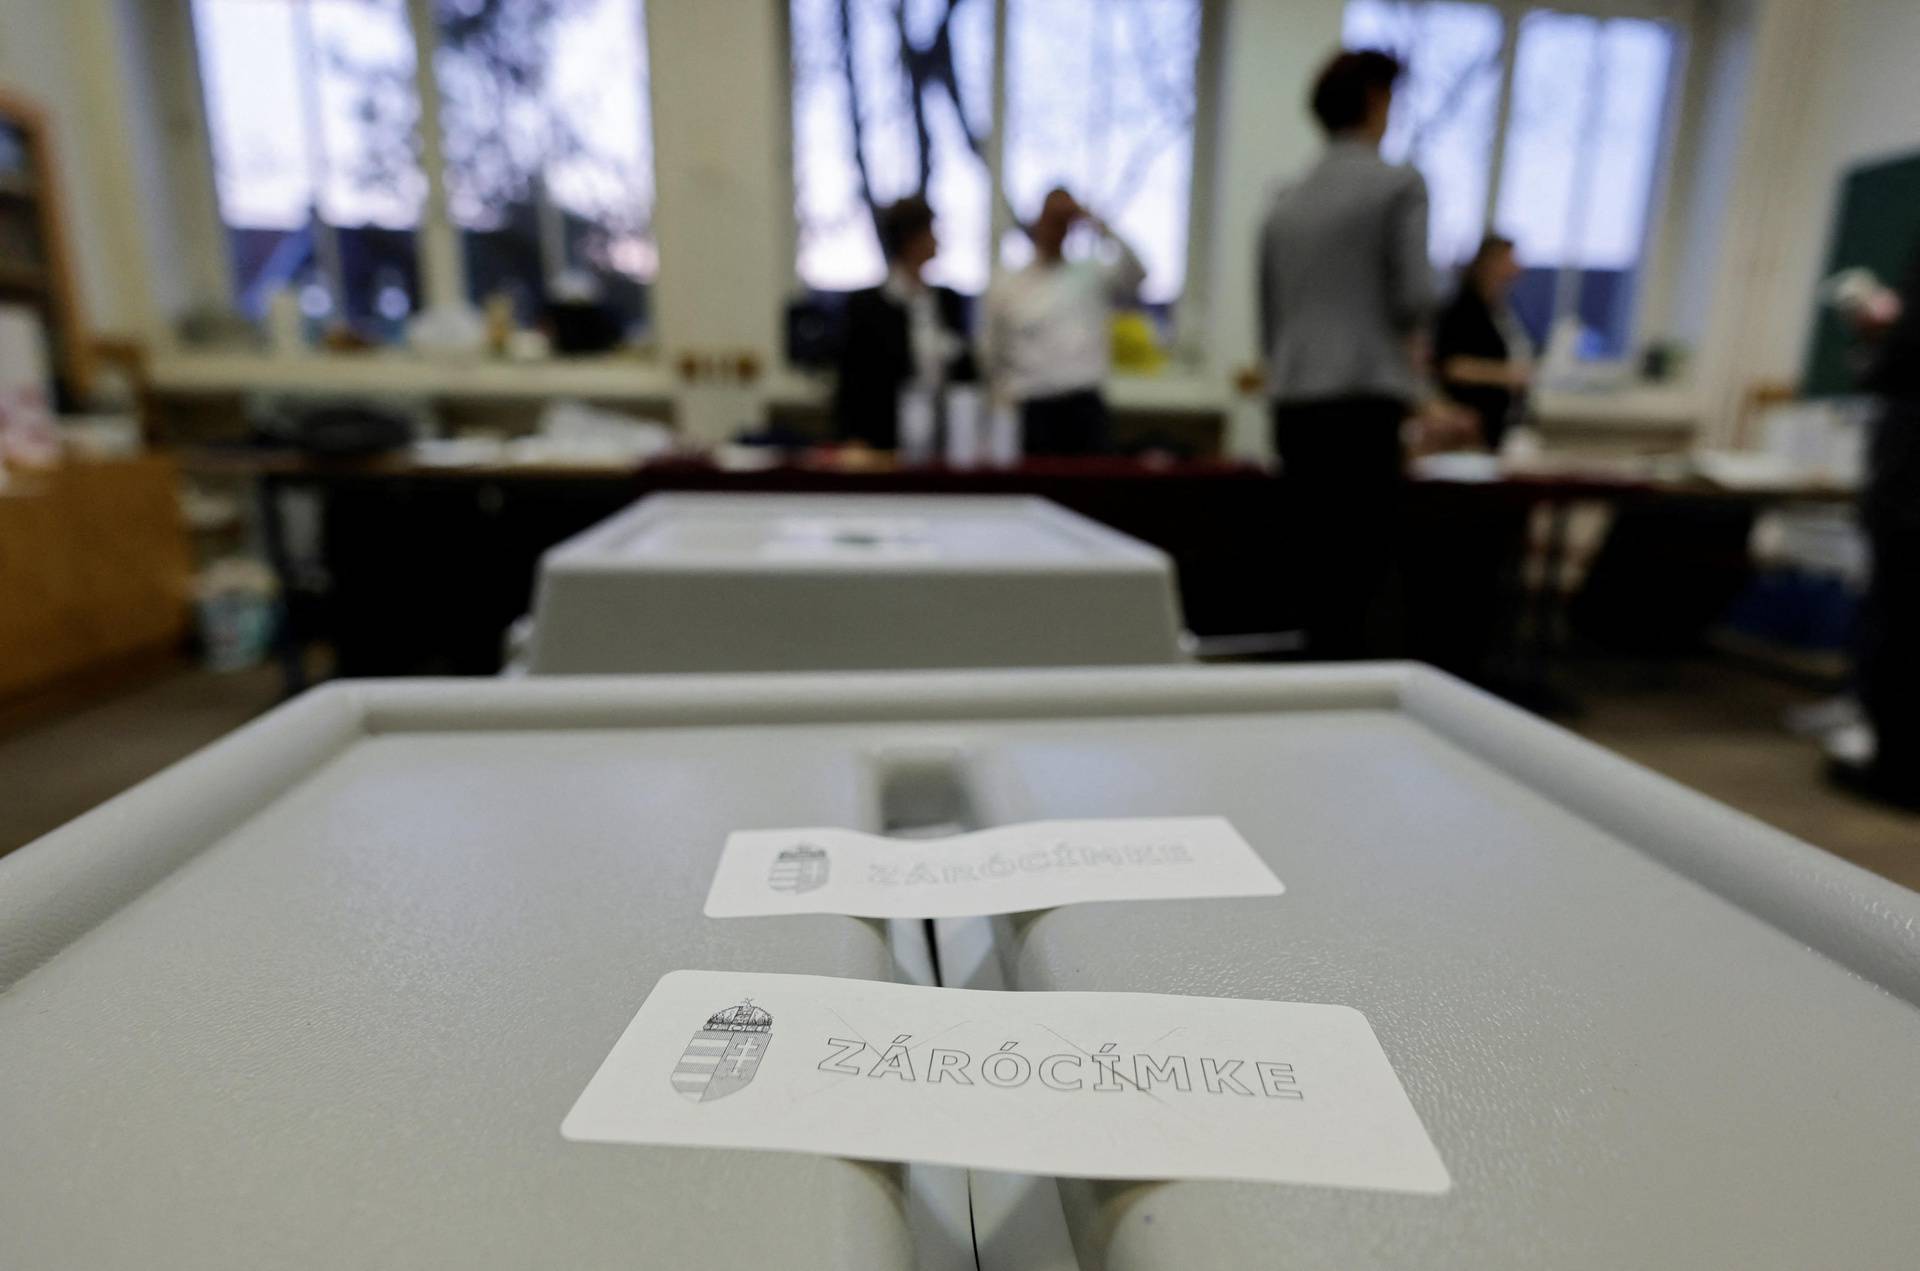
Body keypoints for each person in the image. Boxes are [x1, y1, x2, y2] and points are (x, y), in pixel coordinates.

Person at [1259, 49, 1435, 658]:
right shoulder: (1397, 185)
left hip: (1296, 406)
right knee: (1363, 580)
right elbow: (1415, 296)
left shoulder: (1283, 201)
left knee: (1310, 572)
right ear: (1376, 101)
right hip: (1362, 404)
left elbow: (1271, 321)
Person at [1831, 246, 1920, 808]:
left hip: (1911, 490)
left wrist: (1879, 337)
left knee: (1898, 626)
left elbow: (1899, 362)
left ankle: (1895, 772)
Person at [984, 187, 1146, 456]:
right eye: (1050, 219)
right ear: (1037, 222)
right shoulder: (1009, 283)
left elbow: (1139, 272)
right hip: (1032, 412)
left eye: (1063, 221)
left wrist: (1097, 223)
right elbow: (992, 351)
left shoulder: (1090, 273)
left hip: (1084, 410)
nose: (1055, 228)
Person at [833, 195, 977, 450]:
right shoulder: (869, 305)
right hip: (885, 438)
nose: (937, 240)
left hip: (943, 437)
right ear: (911, 238)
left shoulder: (947, 301)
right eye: (930, 232)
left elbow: (965, 368)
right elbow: (853, 380)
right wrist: (852, 439)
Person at [1435, 233, 1532, 453]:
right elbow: (1452, 366)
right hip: (1470, 422)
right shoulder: (1463, 311)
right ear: (1489, 263)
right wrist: (1508, 375)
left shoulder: (1502, 310)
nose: (1517, 268)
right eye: (1510, 260)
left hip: (1502, 422)